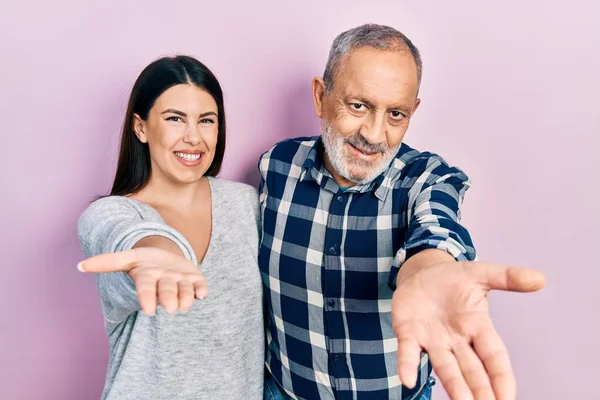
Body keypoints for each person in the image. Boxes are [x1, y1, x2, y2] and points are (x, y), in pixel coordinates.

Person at [258, 24, 545, 400]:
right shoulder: (276, 165)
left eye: (396, 114)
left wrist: (432, 272)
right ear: (321, 96)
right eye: (358, 106)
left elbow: (437, 230)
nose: (375, 135)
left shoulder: (429, 178)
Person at [76, 55, 264, 400]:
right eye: (175, 119)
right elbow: (120, 234)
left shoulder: (245, 204)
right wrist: (156, 251)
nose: (193, 137)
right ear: (141, 127)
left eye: (206, 120)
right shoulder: (109, 214)